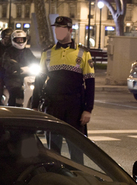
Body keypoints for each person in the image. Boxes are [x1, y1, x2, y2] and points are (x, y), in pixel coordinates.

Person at [32, 16, 95, 162]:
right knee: (53, 147)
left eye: (61, 29)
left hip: (75, 106)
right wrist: (35, 106)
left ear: (70, 30)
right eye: (56, 28)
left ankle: (78, 177)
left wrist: (88, 109)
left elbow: (90, 82)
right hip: (53, 104)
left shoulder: (83, 52)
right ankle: (56, 175)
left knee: (76, 147)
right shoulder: (47, 53)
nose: (58, 32)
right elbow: (39, 81)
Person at [0, 30, 37, 106]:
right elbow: (6, 62)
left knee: (38, 87)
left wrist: (39, 65)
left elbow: (34, 60)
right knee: (14, 89)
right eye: (18, 39)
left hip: (27, 75)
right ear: (13, 40)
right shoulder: (9, 51)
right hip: (13, 76)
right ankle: (12, 107)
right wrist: (14, 68)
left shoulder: (27, 51)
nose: (20, 41)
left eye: (22, 39)